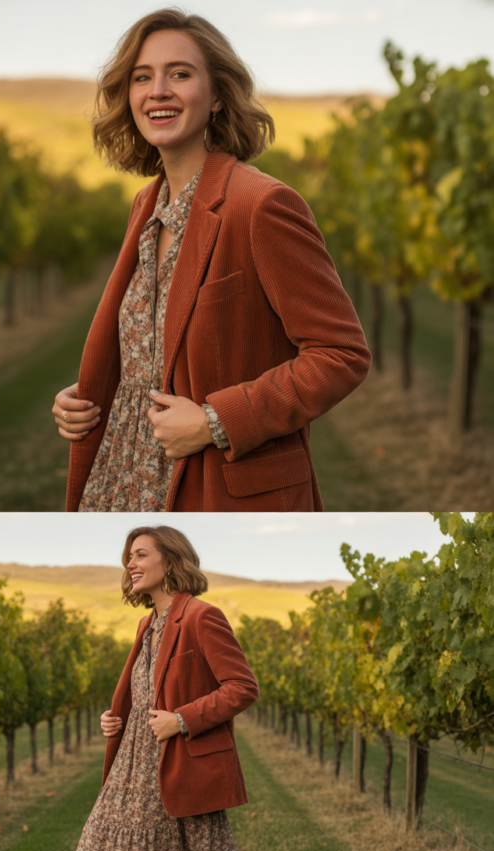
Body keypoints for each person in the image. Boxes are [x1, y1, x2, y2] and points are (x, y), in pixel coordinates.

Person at [52, 8, 371, 513]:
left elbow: (341, 355)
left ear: (218, 95)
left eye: (180, 73)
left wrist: (213, 421)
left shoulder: (261, 205)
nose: (158, 90)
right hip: (121, 481)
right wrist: (93, 396)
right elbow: (161, 352)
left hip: (215, 490)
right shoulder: (146, 205)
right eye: (142, 77)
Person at [67, 525, 320, 851]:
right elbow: (147, 691)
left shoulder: (202, 617)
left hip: (183, 761)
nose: (130, 564)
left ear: (171, 560)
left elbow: (242, 687)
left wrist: (183, 719)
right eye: (127, 557)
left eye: (140, 554)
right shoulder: (149, 624)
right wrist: (115, 719)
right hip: (139, 765)